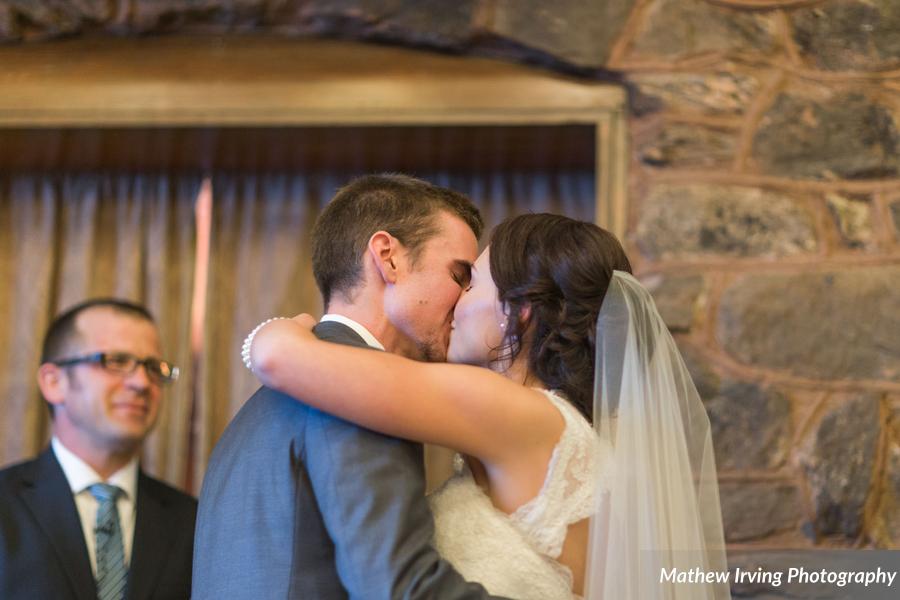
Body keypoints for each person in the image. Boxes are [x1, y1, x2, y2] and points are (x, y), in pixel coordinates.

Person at [245, 213, 731, 599]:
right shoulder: (557, 426)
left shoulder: (519, 414)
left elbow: (277, 358)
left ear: (518, 310)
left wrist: (281, 329)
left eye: (471, 282)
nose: (456, 301)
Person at [192, 174, 508, 599]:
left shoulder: (257, 410)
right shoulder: (356, 391)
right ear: (388, 257)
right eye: (459, 275)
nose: (465, 300)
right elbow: (402, 589)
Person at [0, 298, 197, 600]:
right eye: (115, 361)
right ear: (54, 382)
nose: (142, 382)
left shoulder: (193, 521)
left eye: (152, 367)